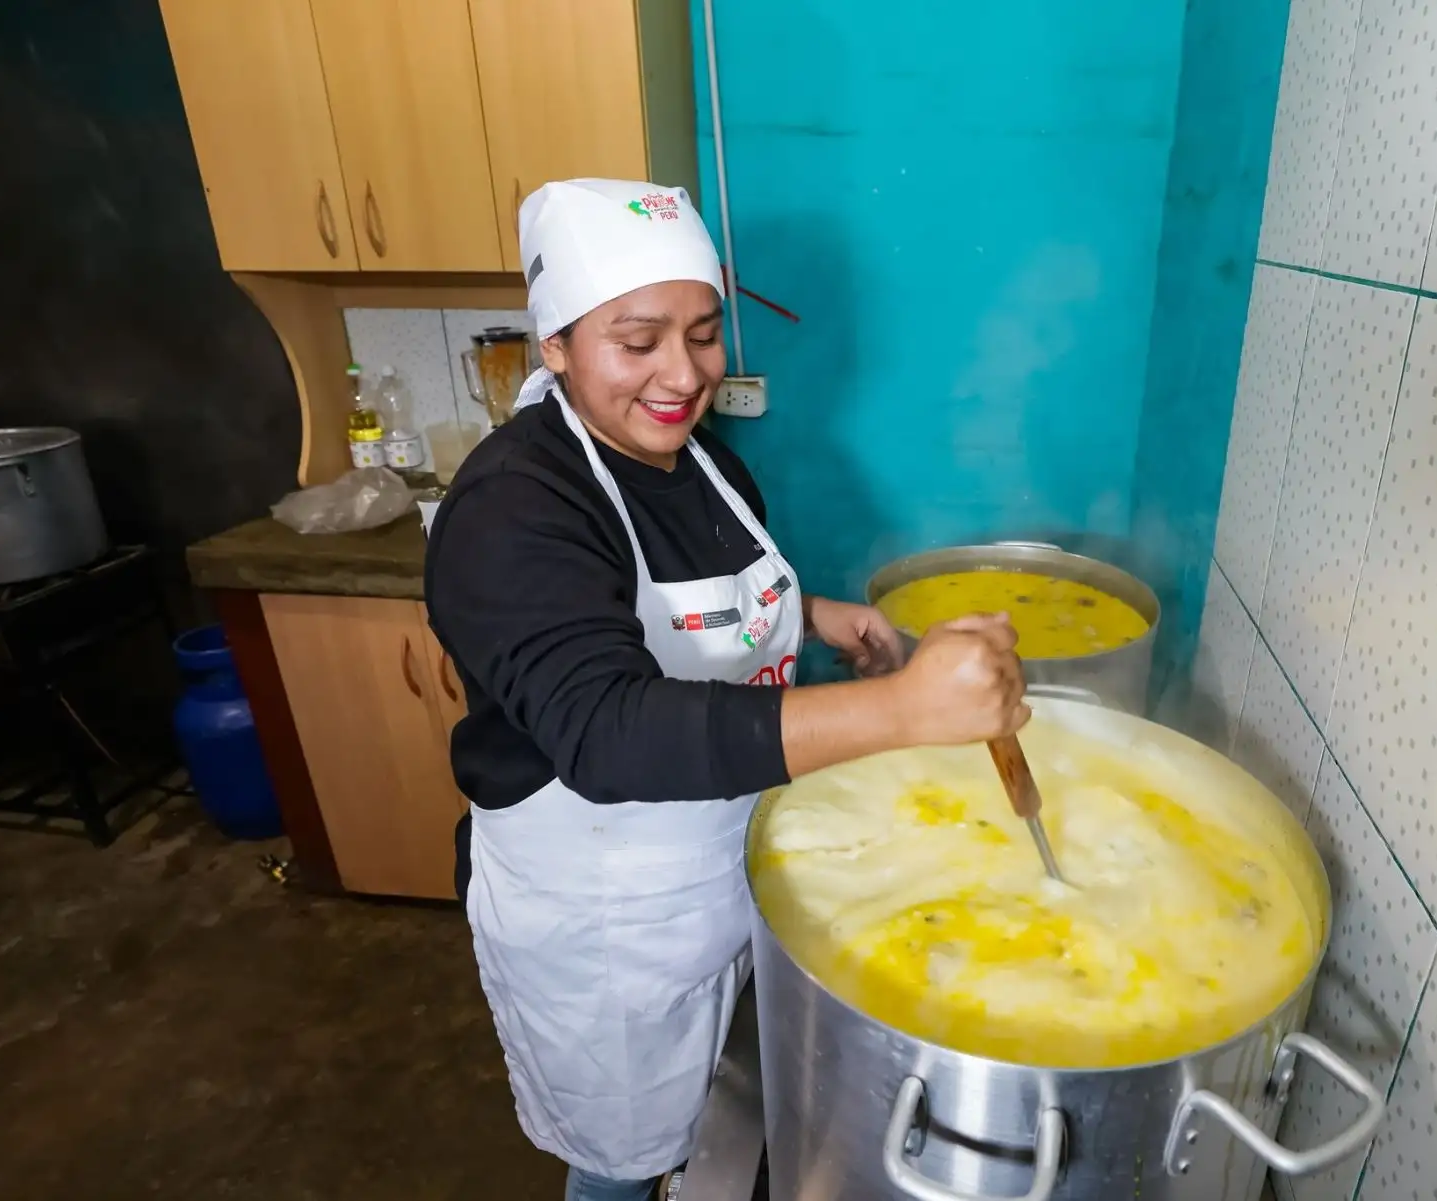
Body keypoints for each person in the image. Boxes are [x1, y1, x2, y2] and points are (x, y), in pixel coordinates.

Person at [422, 178, 1031, 1201]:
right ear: (557, 345)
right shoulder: (512, 509)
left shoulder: (701, 464)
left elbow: (700, 610)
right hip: (603, 921)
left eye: (704, 334)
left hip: (718, 867)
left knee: (714, 1115)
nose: (683, 374)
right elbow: (608, 730)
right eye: (639, 339)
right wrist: (901, 711)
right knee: (622, 1159)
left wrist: (817, 615)